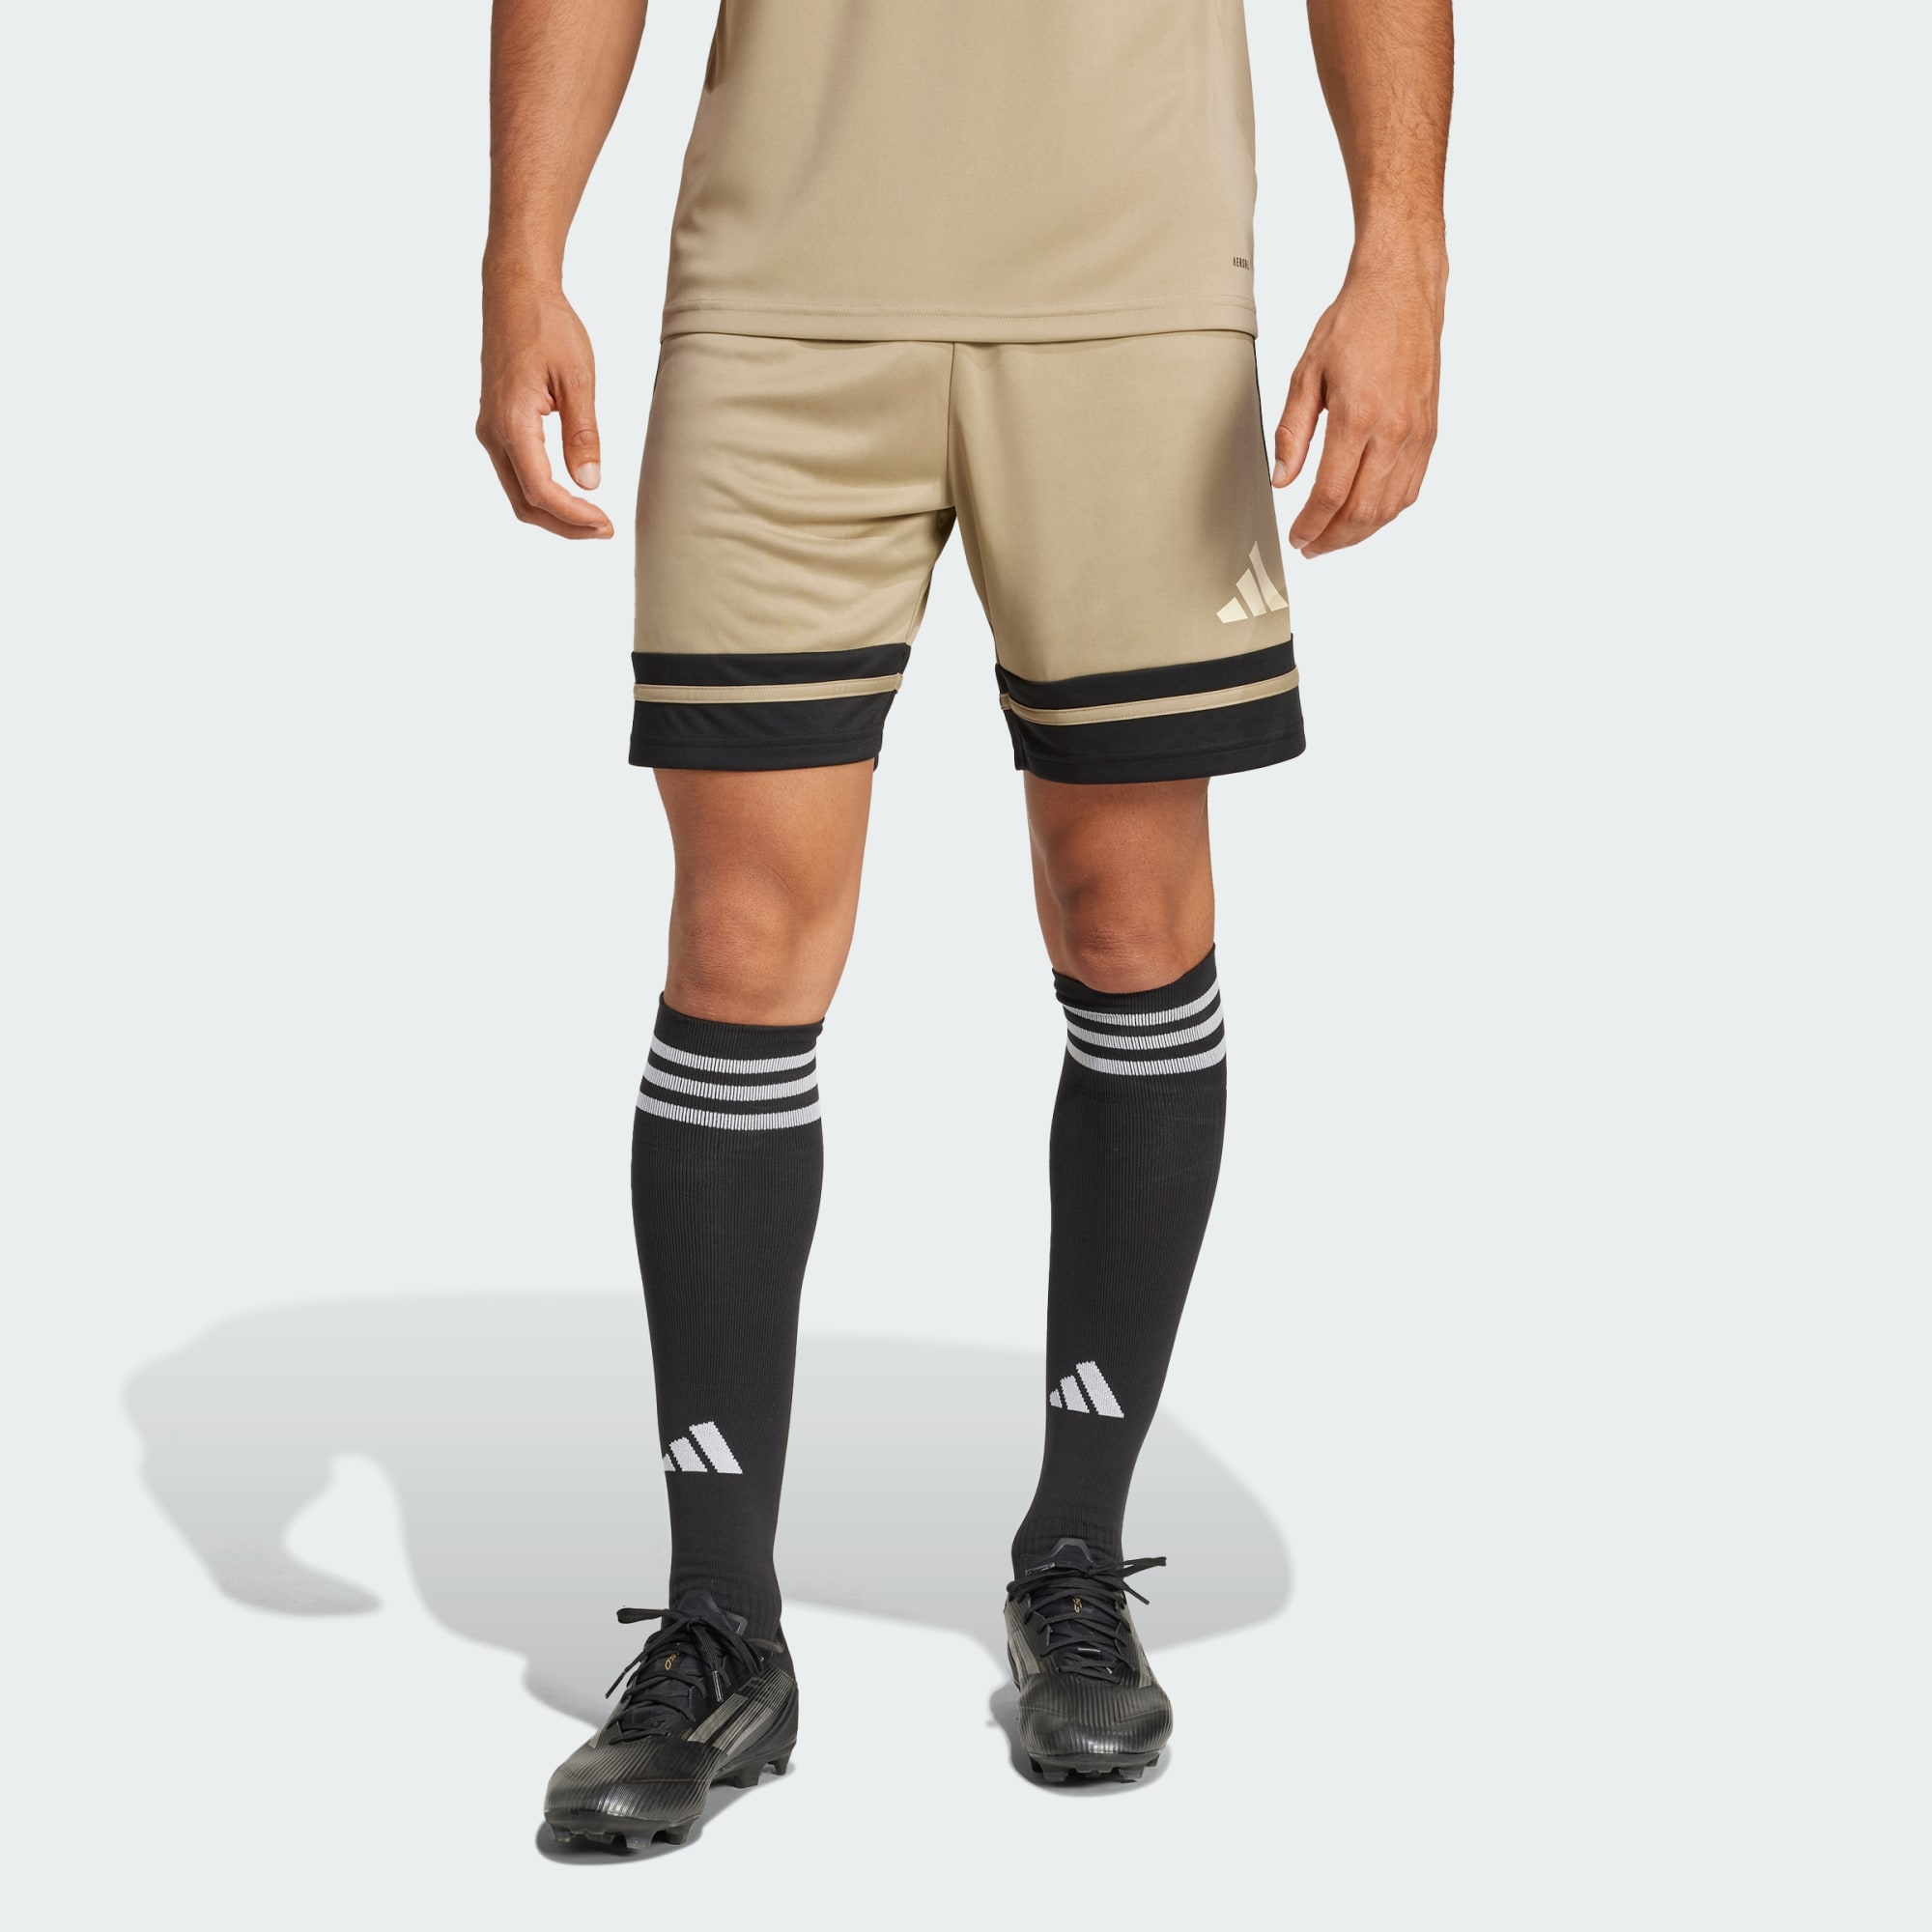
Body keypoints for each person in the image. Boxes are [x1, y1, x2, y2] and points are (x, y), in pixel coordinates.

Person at [477, 0, 1450, 1849]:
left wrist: (1403, 248)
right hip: (777, 300)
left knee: (1128, 914)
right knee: (739, 941)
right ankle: (719, 1625)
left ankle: (1076, 1557)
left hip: (1137, 293)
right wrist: (522, 254)